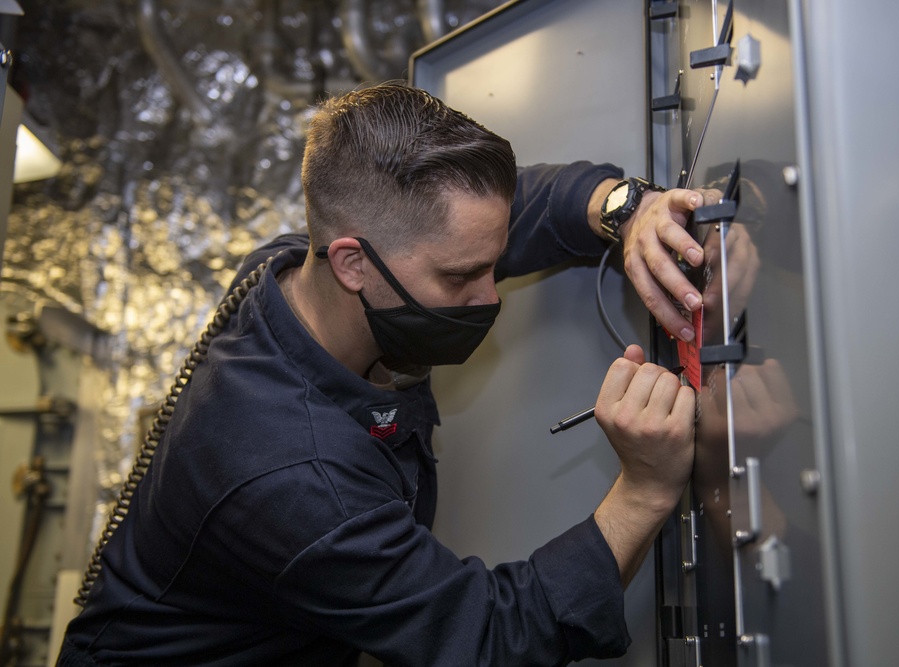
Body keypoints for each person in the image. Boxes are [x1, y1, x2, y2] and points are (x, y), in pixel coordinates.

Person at [58, 82, 706, 666]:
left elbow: (486, 220)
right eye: (460, 278)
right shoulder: (298, 480)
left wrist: (627, 210)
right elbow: (489, 635)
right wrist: (644, 490)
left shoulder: (294, 272)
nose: (491, 296)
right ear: (352, 265)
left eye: (494, 263)